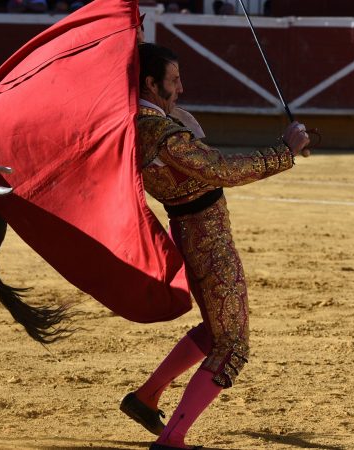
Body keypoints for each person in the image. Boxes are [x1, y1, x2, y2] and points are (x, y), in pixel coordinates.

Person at [119, 42, 310, 450]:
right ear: (151, 84)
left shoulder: (142, 123)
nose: (181, 87)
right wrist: (283, 151)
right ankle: (172, 440)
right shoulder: (160, 132)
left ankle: (145, 398)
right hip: (205, 237)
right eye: (173, 80)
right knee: (233, 343)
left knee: (215, 329)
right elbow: (221, 169)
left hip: (190, 229)